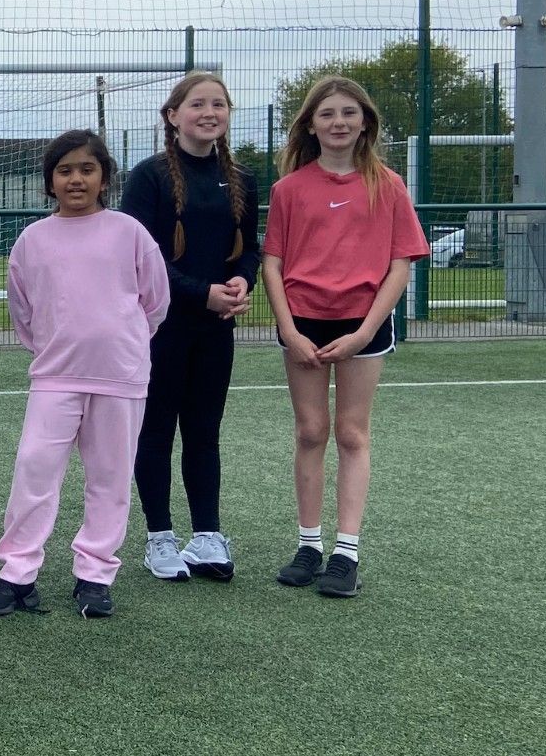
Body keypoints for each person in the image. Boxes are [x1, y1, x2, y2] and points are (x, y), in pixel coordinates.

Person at [0, 132, 168, 621]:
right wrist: (58, 348)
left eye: (86, 169)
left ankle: (95, 574)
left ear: (104, 177)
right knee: (34, 471)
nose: (76, 179)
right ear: (50, 181)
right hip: (55, 376)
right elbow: (23, 311)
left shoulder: (129, 232)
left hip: (120, 376)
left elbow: (154, 302)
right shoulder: (32, 241)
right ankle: (17, 574)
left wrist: (120, 343)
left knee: (109, 478)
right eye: (65, 171)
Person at [262, 76, 428, 600]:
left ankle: (345, 553)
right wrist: (288, 328)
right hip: (304, 322)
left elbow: (400, 264)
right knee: (311, 431)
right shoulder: (289, 189)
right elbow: (273, 261)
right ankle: (309, 545)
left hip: (364, 323)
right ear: (311, 124)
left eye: (349, 113)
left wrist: (364, 332)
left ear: (365, 122)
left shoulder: (389, 185)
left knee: (352, 433)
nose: (339, 122)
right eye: (328, 114)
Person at [119, 73, 259, 583]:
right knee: (156, 430)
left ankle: (206, 536)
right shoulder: (149, 176)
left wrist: (242, 282)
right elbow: (140, 255)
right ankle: (159, 538)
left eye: (219, 104)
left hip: (215, 329)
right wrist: (201, 292)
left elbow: (249, 247)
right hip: (159, 328)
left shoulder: (242, 179)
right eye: (197, 104)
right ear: (173, 115)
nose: (209, 112)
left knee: (204, 430)